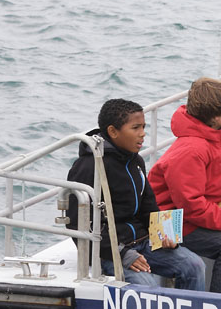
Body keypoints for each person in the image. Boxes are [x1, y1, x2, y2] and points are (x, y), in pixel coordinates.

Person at [66, 99, 205, 291]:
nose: (143, 133)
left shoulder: (136, 161)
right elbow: (77, 223)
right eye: (136, 128)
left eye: (144, 127)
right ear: (113, 131)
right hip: (109, 252)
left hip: (143, 242)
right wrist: (122, 254)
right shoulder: (89, 167)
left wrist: (164, 235)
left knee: (194, 266)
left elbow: (148, 206)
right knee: (147, 287)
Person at [148, 78, 221, 298]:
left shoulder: (218, 136)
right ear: (214, 116)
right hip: (175, 223)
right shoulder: (191, 150)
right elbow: (192, 207)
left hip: (199, 214)